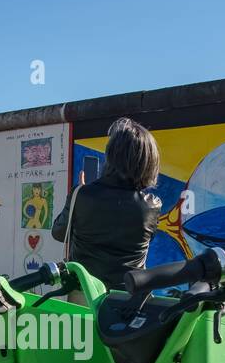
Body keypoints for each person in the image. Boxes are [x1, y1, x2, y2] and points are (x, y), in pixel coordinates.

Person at [52, 117, 162, 291]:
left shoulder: (82, 195)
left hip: (84, 295)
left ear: (110, 155)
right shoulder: (152, 206)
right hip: (128, 299)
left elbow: (58, 233)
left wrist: (79, 192)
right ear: (149, 162)